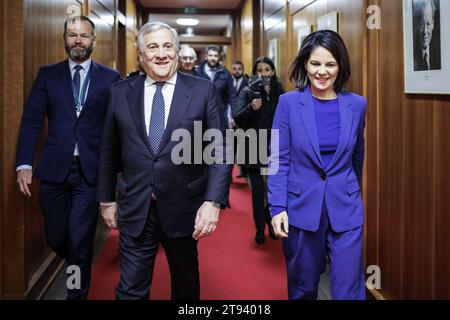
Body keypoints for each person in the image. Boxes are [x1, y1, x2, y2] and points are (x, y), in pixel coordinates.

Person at [97, 21, 232, 300]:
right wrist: (106, 199)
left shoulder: (203, 90)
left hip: (184, 207)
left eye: (167, 46)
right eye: (153, 47)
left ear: (177, 50)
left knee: (186, 288)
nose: (161, 54)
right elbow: (109, 150)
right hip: (135, 206)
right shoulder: (121, 92)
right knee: (130, 290)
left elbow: (221, 150)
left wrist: (213, 201)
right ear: (141, 54)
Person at [15, 15, 120, 300]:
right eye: (72, 35)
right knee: (58, 238)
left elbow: (117, 126)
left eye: (84, 36)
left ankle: (76, 293)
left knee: (79, 240)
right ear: (64, 39)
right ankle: (76, 257)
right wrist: (24, 163)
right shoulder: (47, 75)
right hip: (53, 171)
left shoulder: (110, 78)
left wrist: (118, 170)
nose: (78, 40)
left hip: (89, 172)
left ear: (93, 41)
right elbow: (32, 121)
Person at [268, 30, 367, 300]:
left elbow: (357, 155)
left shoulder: (357, 105)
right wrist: (277, 206)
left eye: (330, 64)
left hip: (346, 209)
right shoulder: (288, 103)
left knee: (349, 290)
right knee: (303, 288)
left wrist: (350, 191)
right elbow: (278, 157)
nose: (322, 72)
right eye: (315, 64)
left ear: (340, 67)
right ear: (304, 65)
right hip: (301, 208)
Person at [233, 56, 284, 245]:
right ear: (255, 73)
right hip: (254, 147)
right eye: (260, 71)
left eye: (267, 70)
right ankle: (259, 228)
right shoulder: (247, 91)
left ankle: (271, 222)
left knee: (273, 190)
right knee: (258, 191)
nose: (264, 74)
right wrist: (251, 108)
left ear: (273, 72)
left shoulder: (280, 92)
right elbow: (237, 117)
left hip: (276, 147)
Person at [193, 45, 237, 128]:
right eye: (210, 55)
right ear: (206, 56)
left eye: (215, 56)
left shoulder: (225, 73)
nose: (213, 58)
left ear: (219, 57)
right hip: (201, 114)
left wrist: (234, 116)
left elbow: (232, 96)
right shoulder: (197, 72)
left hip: (220, 114)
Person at [413, 0, 441, 71]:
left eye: (428, 24)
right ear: (417, 25)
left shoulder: (440, 50)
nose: (425, 31)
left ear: (433, 24)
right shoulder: (411, 51)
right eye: (422, 25)